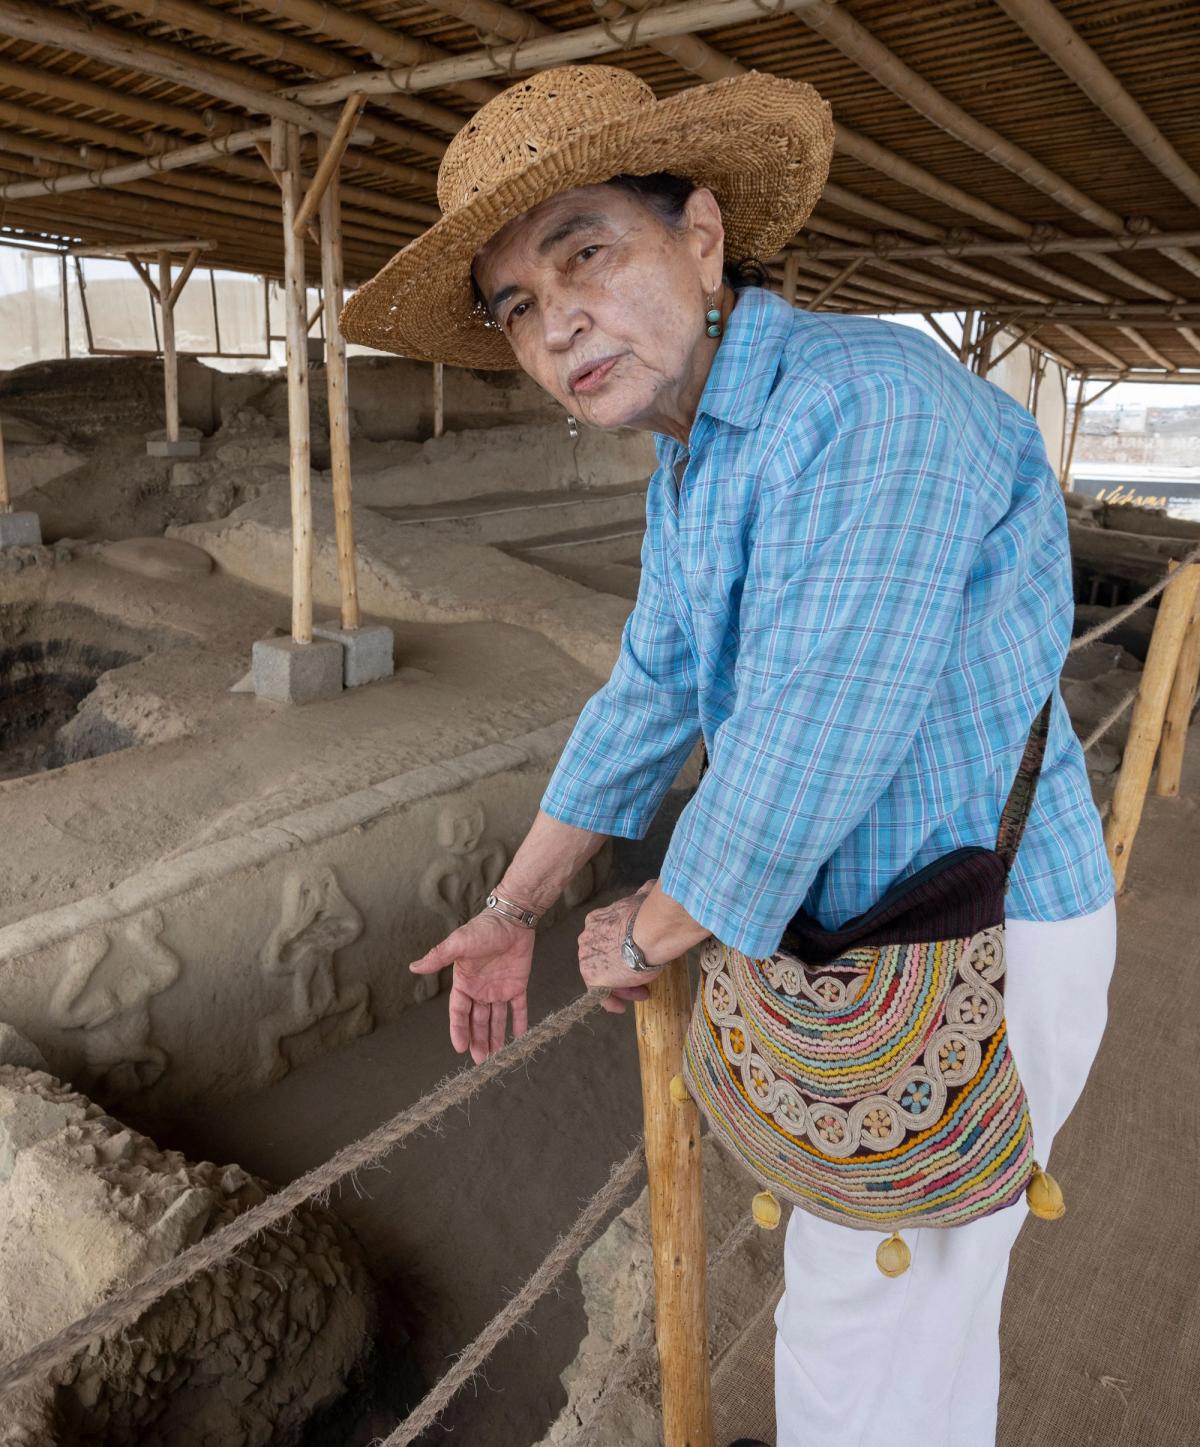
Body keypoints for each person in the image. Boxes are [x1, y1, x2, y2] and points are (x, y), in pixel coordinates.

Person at [341, 63, 1117, 1447]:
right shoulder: (699, 461)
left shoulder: (866, 404)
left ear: (700, 238)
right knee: (901, 1324)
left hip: (979, 936)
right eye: (516, 306)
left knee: (869, 1324)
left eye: (588, 252)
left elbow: (825, 723)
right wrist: (514, 908)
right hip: (875, 936)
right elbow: (649, 695)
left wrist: (652, 925)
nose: (557, 320)